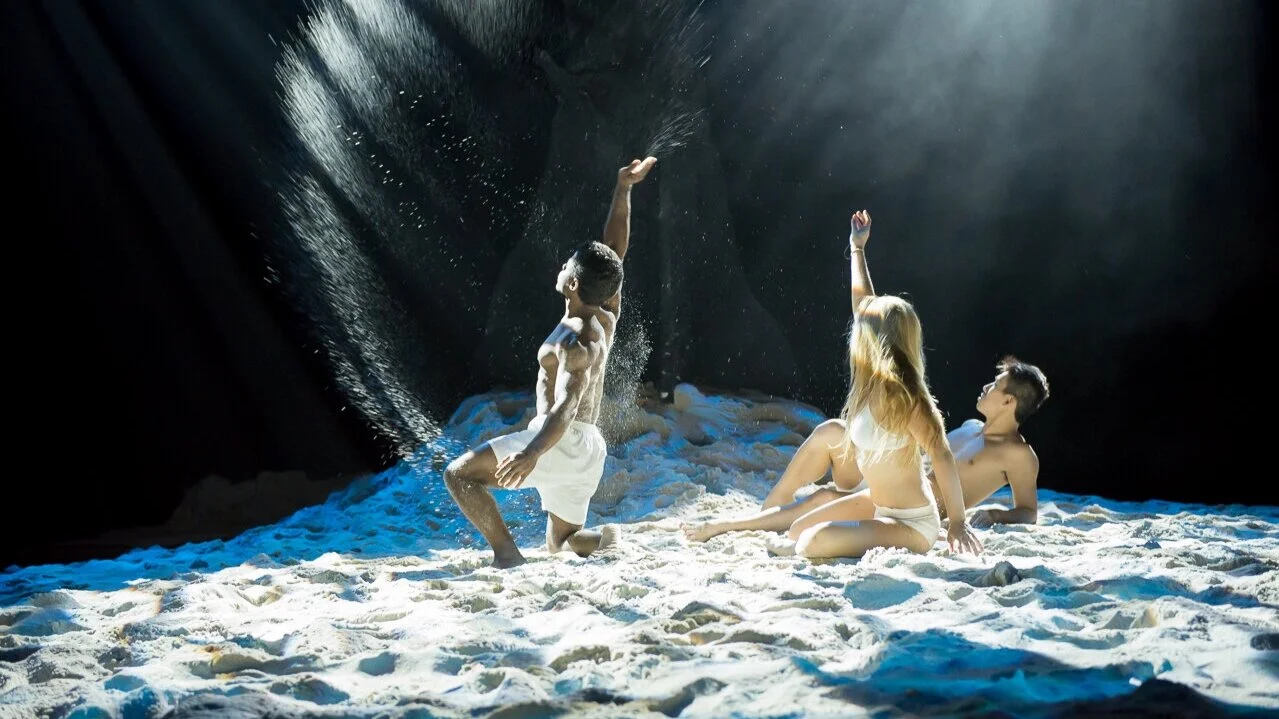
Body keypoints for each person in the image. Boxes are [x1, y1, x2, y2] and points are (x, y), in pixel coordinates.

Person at [683, 210, 982, 558]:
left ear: (876, 341)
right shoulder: (871, 379)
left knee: (813, 541)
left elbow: (942, 455)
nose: (857, 327)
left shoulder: (907, 398)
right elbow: (862, 303)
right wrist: (857, 249)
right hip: (877, 503)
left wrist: (958, 522)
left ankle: (807, 538)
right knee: (797, 529)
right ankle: (759, 523)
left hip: (912, 524)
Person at [443, 156, 657, 568]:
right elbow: (612, 254)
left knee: (459, 475)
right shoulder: (605, 313)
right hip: (590, 448)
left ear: (572, 283)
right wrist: (623, 188)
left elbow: (566, 406)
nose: (560, 267)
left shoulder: (574, 341)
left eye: (565, 266)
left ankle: (507, 556)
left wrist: (531, 453)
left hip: (560, 439)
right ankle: (604, 539)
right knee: (561, 543)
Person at [933, 356, 1049, 528]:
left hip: (913, 508)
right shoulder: (970, 426)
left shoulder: (1018, 454)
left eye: (995, 384)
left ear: (1008, 401)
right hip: (896, 484)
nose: (985, 387)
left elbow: (1029, 512)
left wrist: (996, 514)